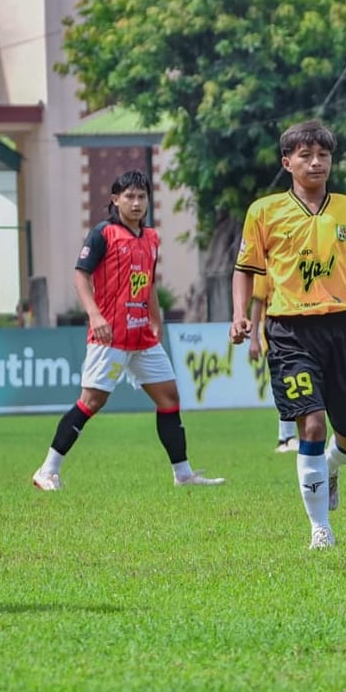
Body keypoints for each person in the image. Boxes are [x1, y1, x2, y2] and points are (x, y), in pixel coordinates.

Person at [229, 119, 346, 550]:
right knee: (311, 425)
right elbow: (245, 270)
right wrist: (241, 315)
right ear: (287, 163)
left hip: (341, 328)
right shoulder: (264, 211)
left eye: (324, 155)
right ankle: (321, 529)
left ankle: (332, 468)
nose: (316, 162)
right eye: (306, 155)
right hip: (289, 331)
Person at [31, 170, 225, 491]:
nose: (136, 203)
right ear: (115, 199)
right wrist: (95, 315)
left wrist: (156, 319)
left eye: (141, 196)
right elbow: (80, 276)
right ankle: (47, 470)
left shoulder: (151, 237)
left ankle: (184, 474)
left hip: (142, 336)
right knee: (92, 401)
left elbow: (147, 282)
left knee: (169, 397)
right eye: (129, 197)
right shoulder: (101, 234)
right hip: (111, 335)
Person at [248, 273, 299, 452]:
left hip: (299, 333)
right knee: (285, 384)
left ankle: (286, 437)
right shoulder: (265, 267)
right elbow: (258, 302)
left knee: (295, 385)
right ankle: (286, 438)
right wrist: (253, 338)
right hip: (276, 334)